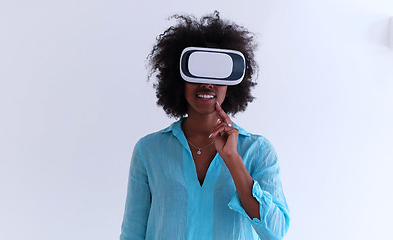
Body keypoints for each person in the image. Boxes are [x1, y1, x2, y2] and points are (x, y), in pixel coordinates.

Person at [120, 11, 290, 240]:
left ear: (231, 83)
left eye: (217, 74)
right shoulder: (148, 150)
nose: (207, 83)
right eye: (197, 72)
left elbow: (275, 232)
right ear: (179, 79)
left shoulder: (258, 152)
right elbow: (132, 233)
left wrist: (232, 159)